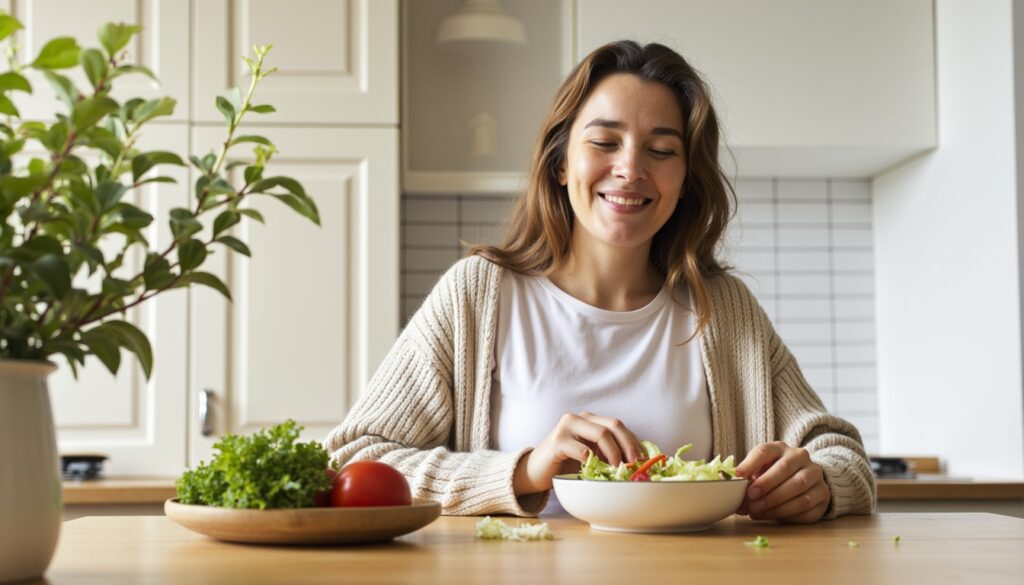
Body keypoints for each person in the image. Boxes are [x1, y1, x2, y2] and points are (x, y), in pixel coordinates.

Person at [325, 40, 875, 523]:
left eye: (662, 150)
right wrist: (524, 470)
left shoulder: (722, 309)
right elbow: (352, 460)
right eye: (605, 142)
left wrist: (819, 485)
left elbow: (841, 454)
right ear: (561, 163)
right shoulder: (479, 294)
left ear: (685, 180)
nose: (631, 168)